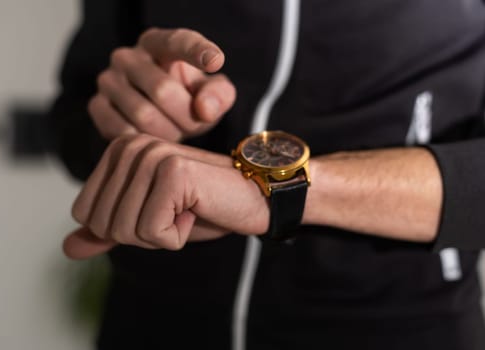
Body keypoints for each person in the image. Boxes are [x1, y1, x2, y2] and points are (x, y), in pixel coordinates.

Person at [49, 0, 485, 349]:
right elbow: (71, 123)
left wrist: (276, 193)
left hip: (398, 324)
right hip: (151, 320)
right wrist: (133, 113)